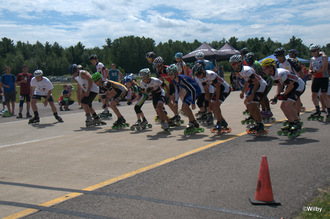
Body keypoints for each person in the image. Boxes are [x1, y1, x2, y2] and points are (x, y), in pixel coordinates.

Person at [261, 58, 306, 134]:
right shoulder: (272, 75)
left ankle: (297, 123)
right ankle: (291, 123)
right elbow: (279, 85)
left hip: (298, 85)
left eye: (265, 68)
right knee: (282, 106)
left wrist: (283, 94)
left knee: (289, 104)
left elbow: (290, 86)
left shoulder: (280, 73)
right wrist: (276, 96)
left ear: (271, 67)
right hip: (291, 86)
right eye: (263, 69)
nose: (264, 70)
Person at [229, 54, 268, 135]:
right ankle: (257, 121)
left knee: (253, 104)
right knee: (246, 103)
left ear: (239, 63)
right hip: (253, 85)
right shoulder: (240, 70)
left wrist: (253, 93)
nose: (232, 66)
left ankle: (260, 124)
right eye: (231, 64)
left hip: (261, 86)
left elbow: (257, 81)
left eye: (234, 64)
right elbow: (247, 81)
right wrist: (242, 91)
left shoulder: (246, 70)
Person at [193, 62, 231, 132]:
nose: (198, 76)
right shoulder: (201, 77)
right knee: (212, 106)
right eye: (196, 75)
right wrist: (209, 101)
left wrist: (216, 100)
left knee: (215, 105)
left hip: (224, 88)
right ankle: (222, 121)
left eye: (199, 74)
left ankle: (219, 122)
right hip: (217, 89)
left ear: (203, 71)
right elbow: (206, 89)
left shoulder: (210, 74)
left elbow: (218, 87)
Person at [167, 64, 201, 133]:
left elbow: (193, 89)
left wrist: (193, 102)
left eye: (171, 74)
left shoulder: (183, 79)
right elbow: (177, 91)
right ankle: (193, 122)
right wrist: (176, 102)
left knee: (185, 106)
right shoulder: (174, 81)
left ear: (176, 73)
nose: (170, 76)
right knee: (183, 108)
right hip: (189, 91)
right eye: (169, 74)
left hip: (195, 90)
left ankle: (192, 122)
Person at [274, 47, 304, 116]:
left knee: (296, 99)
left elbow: (301, 74)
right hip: (288, 83)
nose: (279, 59)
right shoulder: (278, 64)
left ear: (284, 55)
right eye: (277, 57)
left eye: (280, 57)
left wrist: (297, 82)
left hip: (297, 82)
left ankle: (297, 115)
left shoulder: (291, 61)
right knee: (288, 102)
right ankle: (293, 117)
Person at [245, 52, 274, 121]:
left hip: (267, 79)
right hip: (260, 80)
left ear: (252, 59)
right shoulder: (251, 65)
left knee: (263, 95)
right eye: (246, 61)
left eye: (248, 60)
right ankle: (263, 110)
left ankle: (268, 111)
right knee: (259, 96)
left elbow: (261, 75)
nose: (247, 62)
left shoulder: (255, 64)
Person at [308, 44, 330, 122]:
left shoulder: (324, 57)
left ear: (318, 50)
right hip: (316, 78)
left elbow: (324, 68)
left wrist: (314, 71)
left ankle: (329, 111)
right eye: (311, 51)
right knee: (313, 95)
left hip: (323, 78)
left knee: (324, 95)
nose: (313, 53)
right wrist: (310, 72)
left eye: (314, 51)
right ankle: (317, 110)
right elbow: (310, 68)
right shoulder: (312, 59)